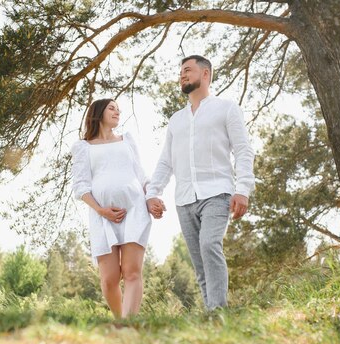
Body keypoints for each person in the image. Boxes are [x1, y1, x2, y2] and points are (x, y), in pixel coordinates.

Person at [146, 55, 255, 311]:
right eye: (181, 71)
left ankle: (218, 311)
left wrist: (243, 190)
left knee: (209, 245)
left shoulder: (227, 108)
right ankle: (212, 316)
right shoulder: (176, 120)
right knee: (199, 262)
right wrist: (153, 192)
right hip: (184, 200)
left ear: (205, 74)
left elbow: (243, 150)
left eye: (188, 70)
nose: (182, 75)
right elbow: (166, 161)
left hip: (217, 194)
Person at [71, 98, 152, 319]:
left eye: (119, 109)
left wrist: (152, 197)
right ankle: (119, 319)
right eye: (112, 108)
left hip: (134, 210)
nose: (118, 111)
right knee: (109, 279)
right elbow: (80, 186)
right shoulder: (83, 147)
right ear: (98, 112)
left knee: (132, 271)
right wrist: (100, 210)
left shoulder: (127, 140)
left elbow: (141, 174)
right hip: (102, 216)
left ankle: (128, 324)